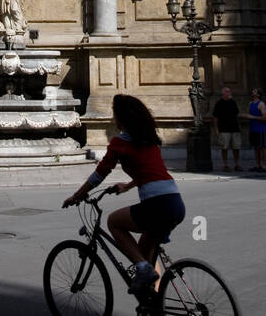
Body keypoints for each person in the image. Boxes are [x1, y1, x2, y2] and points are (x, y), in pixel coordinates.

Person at [63, 94, 185, 294]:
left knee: (113, 222)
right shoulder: (149, 139)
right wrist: (128, 186)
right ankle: (155, 306)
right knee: (144, 252)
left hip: (156, 205)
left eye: (114, 114)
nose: (113, 119)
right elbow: (150, 172)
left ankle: (144, 270)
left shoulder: (120, 143)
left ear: (122, 118)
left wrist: (76, 196)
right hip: (174, 202)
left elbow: (99, 175)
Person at [213, 85, 242, 172]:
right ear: (223, 93)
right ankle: (225, 164)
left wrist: (239, 126)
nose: (230, 93)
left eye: (230, 91)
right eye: (228, 92)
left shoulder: (233, 102)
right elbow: (215, 117)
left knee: (236, 147)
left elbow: (237, 114)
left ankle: (236, 164)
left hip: (235, 128)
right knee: (224, 148)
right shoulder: (219, 103)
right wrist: (216, 129)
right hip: (224, 129)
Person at [248, 87, 266, 172]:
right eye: (253, 90)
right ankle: (257, 164)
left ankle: (264, 166)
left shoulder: (261, 104)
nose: (252, 92)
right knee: (255, 148)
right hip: (253, 128)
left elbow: (265, 117)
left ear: (258, 94)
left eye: (255, 91)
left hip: (260, 129)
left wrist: (253, 117)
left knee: (262, 148)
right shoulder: (250, 103)